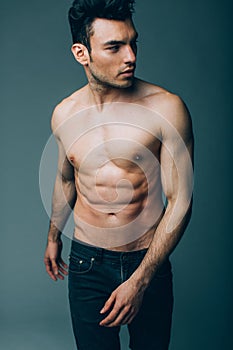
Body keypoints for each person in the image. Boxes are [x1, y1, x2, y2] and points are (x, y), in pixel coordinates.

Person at [44, 0, 194, 349]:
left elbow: (182, 201)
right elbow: (67, 179)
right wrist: (53, 236)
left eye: (133, 43)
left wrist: (140, 281)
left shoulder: (167, 107)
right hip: (87, 264)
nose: (131, 56)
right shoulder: (64, 113)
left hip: (147, 261)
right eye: (114, 47)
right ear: (82, 53)